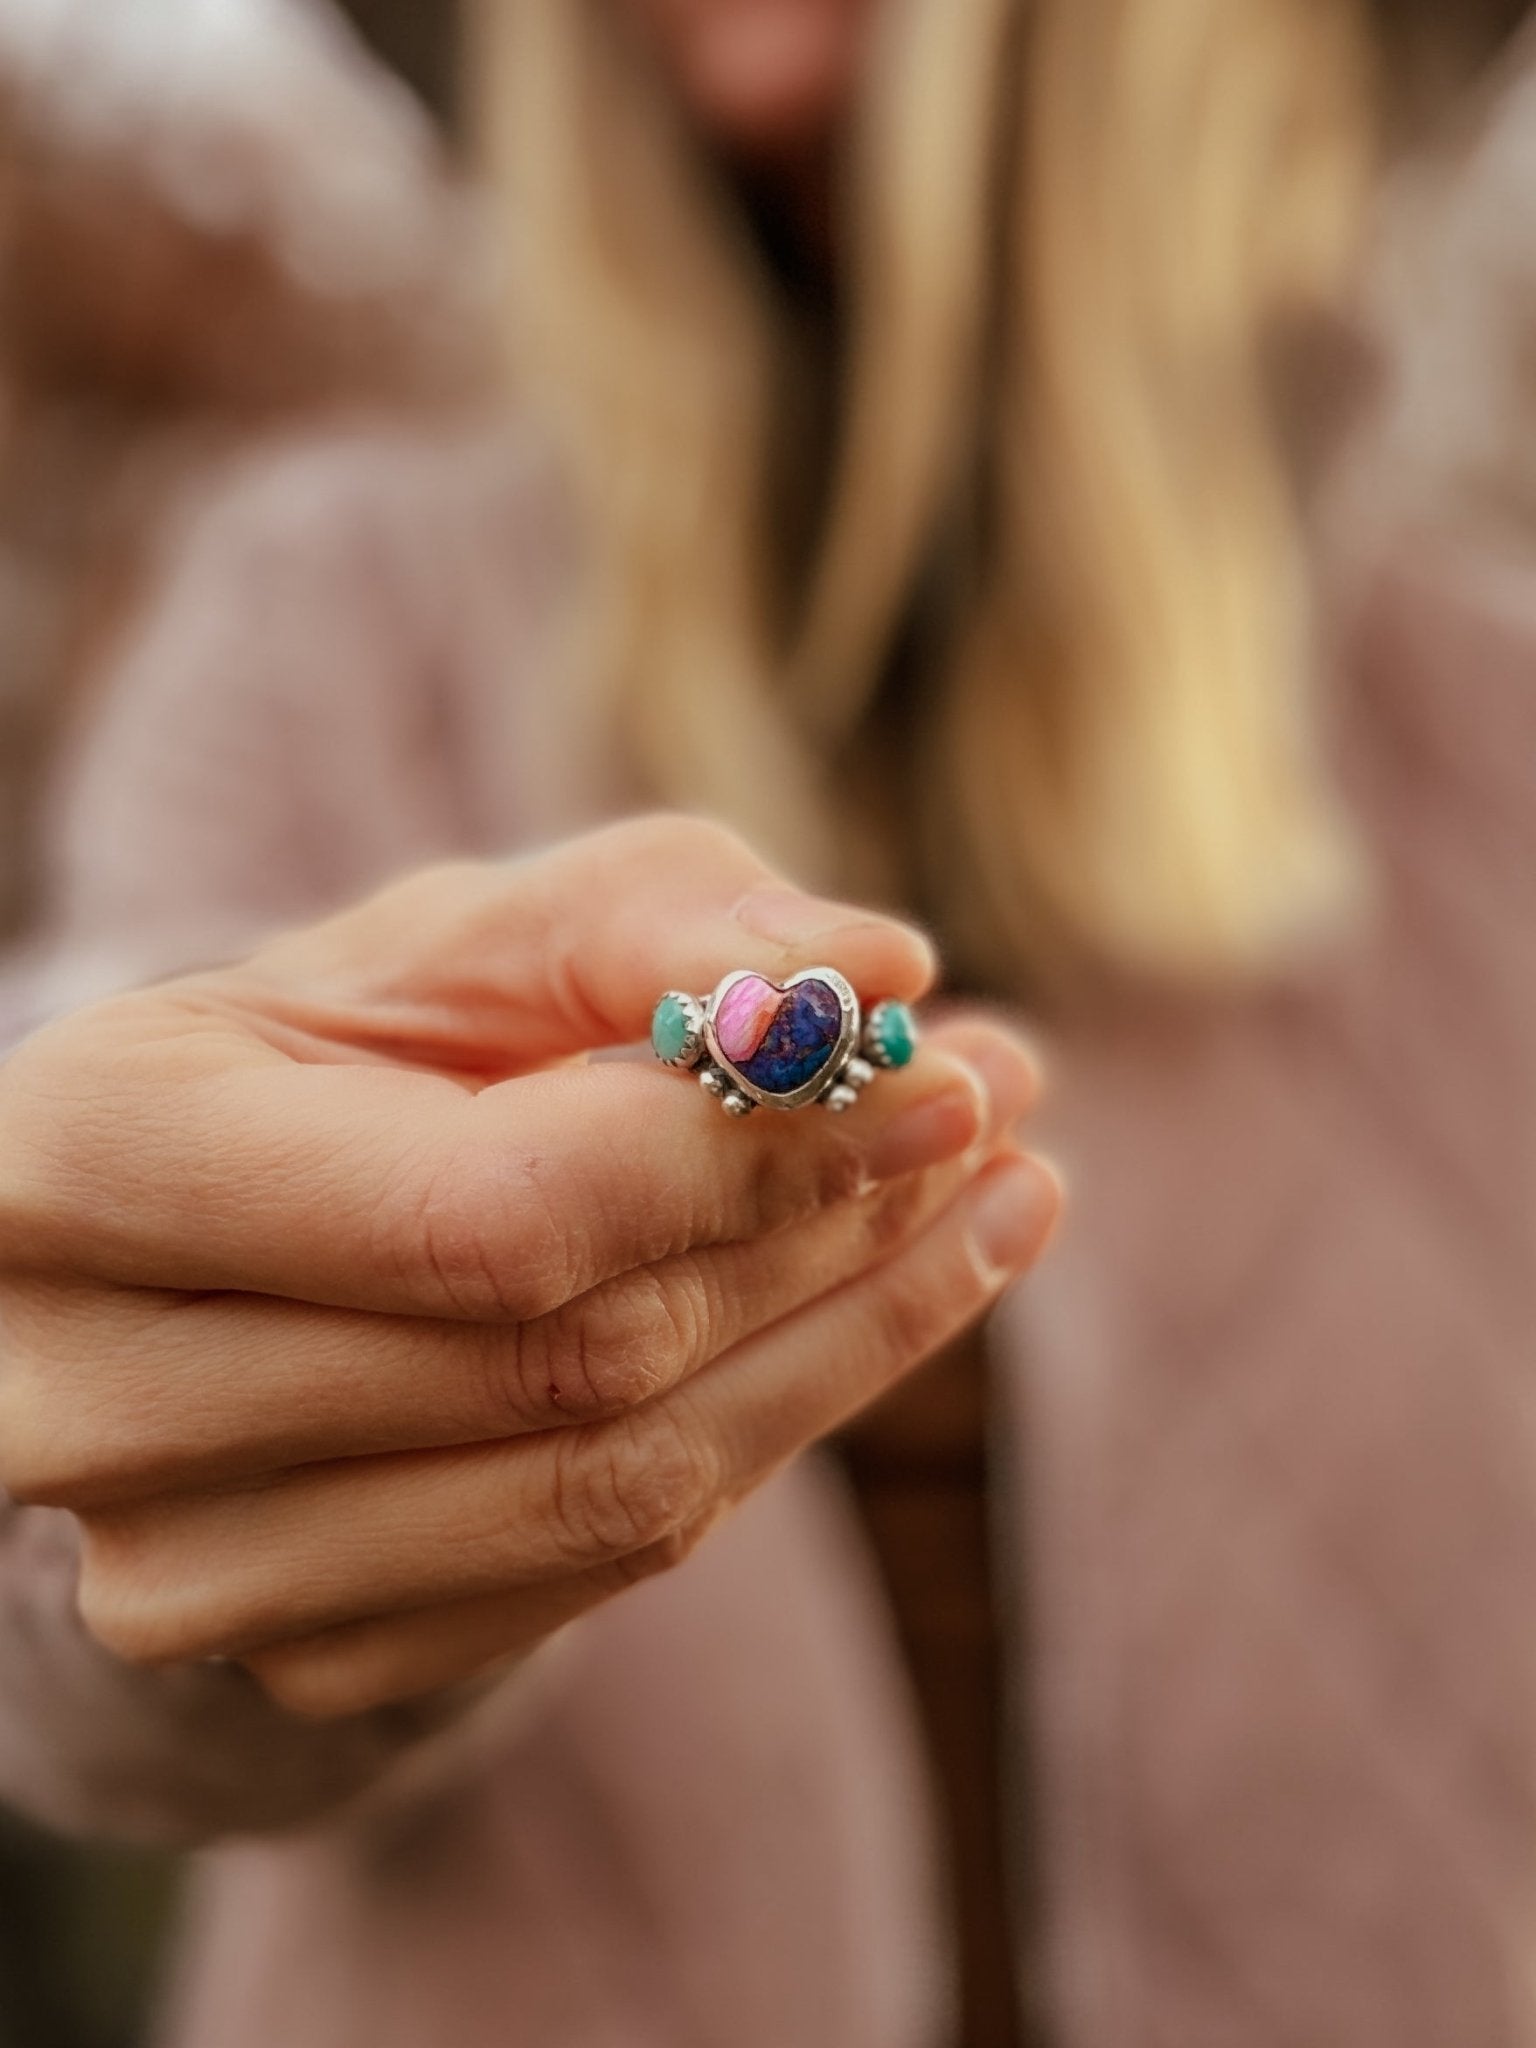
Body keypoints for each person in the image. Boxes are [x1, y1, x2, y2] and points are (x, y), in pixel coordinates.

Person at [0, 4, 1533, 2047]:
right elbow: (72, 1613)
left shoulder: (1493, 750)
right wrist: (180, 1379)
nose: (729, 53)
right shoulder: (324, 625)